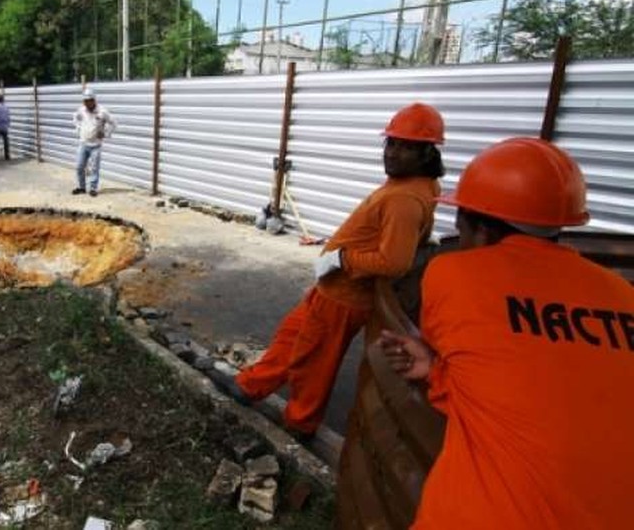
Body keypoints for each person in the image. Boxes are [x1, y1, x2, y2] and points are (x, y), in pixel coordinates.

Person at [379, 137, 634, 529]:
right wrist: (437, 371)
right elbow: (538, 386)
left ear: (479, 229)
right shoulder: (622, 294)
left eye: (460, 227)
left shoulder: (452, 275)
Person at [220, 103, 446, 437]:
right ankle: (249, 386)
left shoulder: (404, 200)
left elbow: (394, 262)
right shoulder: (416, 187)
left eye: (406, 147)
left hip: (344, 297)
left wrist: (343, 259)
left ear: (426, 153)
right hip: (332, 289)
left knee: (313, 360)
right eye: (391, 143)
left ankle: (299, 425)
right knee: (291, 336)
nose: (393, 153)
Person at [72, 88, 116, 197]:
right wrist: (79, 129)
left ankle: (93, 188)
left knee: (94, 168)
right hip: (83, 143)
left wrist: (106, 133)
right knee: (79, 166)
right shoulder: (81, 110)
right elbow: (75, 118)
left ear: (94, 100)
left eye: (89, 101)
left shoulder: (102, 111)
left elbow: (113, 123)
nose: (87, 103)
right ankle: (82, 187)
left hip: (96, 145)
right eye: (85, 101)